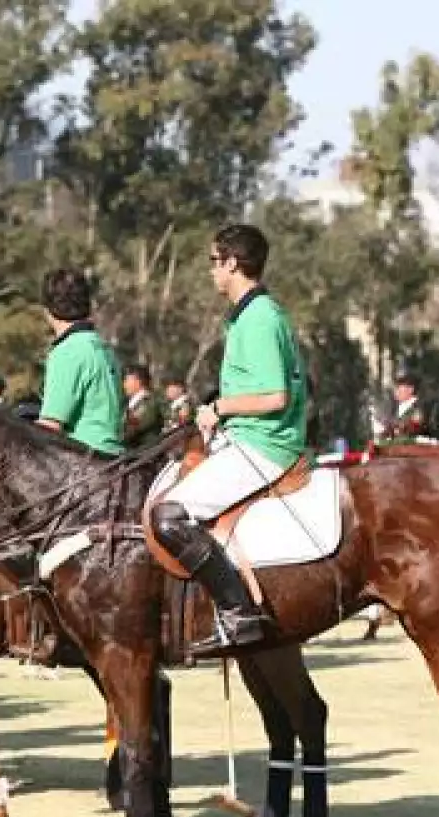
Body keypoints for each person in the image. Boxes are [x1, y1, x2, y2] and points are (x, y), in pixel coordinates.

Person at [151, 223, 308, 658]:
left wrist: (220, 409)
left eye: (213, 262)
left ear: (233, 263)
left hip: (265, 445)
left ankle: (239, 613)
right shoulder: (246, 315)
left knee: (169, 515)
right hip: (246, 438)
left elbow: (276, 395)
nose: (210, 271)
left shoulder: (259, 317)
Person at [34, 267, 124, 455]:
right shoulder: (103, 347)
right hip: (113, 457)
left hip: (83, 462)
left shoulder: (68, 351)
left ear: (47, 310)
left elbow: (50, 426)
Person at [372, 368, 430, 443]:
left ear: (410, 389)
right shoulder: (393, 407)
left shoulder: (419, 408)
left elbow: (411, 430)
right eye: (396, 387)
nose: (396, 390)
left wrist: (389, 429)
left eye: (399, 387)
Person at [121, 363, 164, 450]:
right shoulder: (133, 404)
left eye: (127, 380)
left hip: (144, 455)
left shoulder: (148, 403)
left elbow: (131, 430)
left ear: (138, 381)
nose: (124, 384)